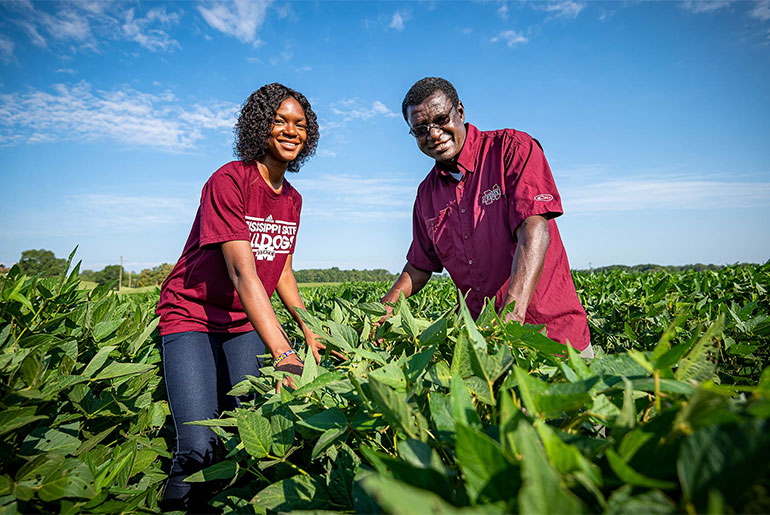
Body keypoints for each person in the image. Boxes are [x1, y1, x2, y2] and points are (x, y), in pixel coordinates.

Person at [156, 83, 326, 511]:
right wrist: (284, 351)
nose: (291, 131)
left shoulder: (293, 199)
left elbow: (280, 267)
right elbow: (241, 270)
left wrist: (312, 331)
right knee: (198, 445)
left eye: (300, 124)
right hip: (192, 315)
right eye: (280, 120)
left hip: (243, 321)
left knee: (250, 429)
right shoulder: (229, 180)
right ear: (259, 126)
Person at [382, 77, 593, 357]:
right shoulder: (426, 194)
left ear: (460, 111)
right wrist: (382, 312)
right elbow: (420, 266)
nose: (433, 134)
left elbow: (534, 230)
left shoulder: (511, 149)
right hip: (481, 345)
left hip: (551, 336)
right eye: (420, 129)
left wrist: (511, 318)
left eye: (441, 118)